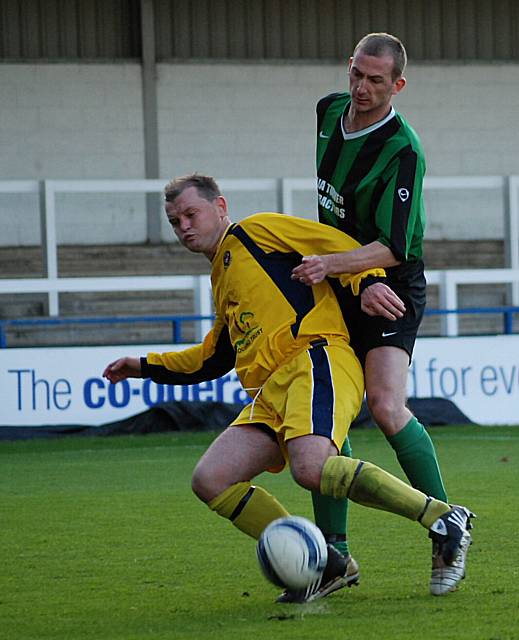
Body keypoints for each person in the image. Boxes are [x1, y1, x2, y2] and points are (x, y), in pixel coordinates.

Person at [103, 174, 474, 603]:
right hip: (271, 391)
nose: (184, 225)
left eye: (191, 214)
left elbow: (331, 242)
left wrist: (367, 281)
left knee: (311, 467)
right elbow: (214, 357)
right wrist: (144, 366)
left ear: (220, 206)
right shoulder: (221, 274)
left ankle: (444, 518)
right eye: (174, 221)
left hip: (314, 360)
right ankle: (326, 564)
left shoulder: (255, 231)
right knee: (211, 479)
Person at [291, 32, 457, 597]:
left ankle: (446, 525)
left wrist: (332, 264)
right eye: (357, 74)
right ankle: (333, 558)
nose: (362, 88)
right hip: (335, 277)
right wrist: (334, 269)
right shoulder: (327, 111)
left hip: (389, 280)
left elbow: (394, 245)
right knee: (325, 418)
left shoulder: (404, 150)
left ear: (398, 85)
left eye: (376, 80)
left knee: (386, 406)